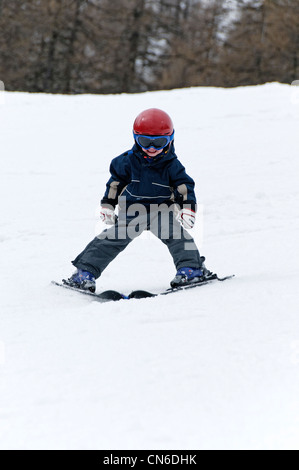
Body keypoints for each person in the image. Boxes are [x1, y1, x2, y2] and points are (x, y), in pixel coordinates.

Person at [63, 108, 213, 293]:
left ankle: (191, 270)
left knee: (177, 235)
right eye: (145, 141)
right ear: (135, 138)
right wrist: (108, 205)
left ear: (170, 139)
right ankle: (84, 273)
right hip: (133, 210)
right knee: (113, 237)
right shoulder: (126, 162)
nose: (151, 148)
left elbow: (183, 187)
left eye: (159, 142)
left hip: (162, 210)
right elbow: (115, 185)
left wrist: (187, 208)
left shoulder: (172, 165)